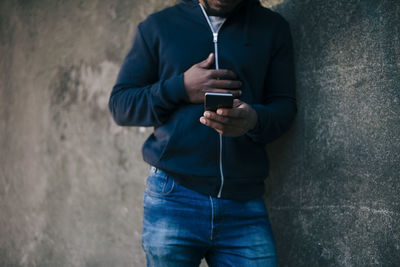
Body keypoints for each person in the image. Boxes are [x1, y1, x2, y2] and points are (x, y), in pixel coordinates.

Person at [108, 0, 296, 265]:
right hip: (174, 196)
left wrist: (254, 119)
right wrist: (180, 87)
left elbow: (285, 106)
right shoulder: (158, 27)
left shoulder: (272, 28)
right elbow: (121, 105)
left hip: (244, 202)